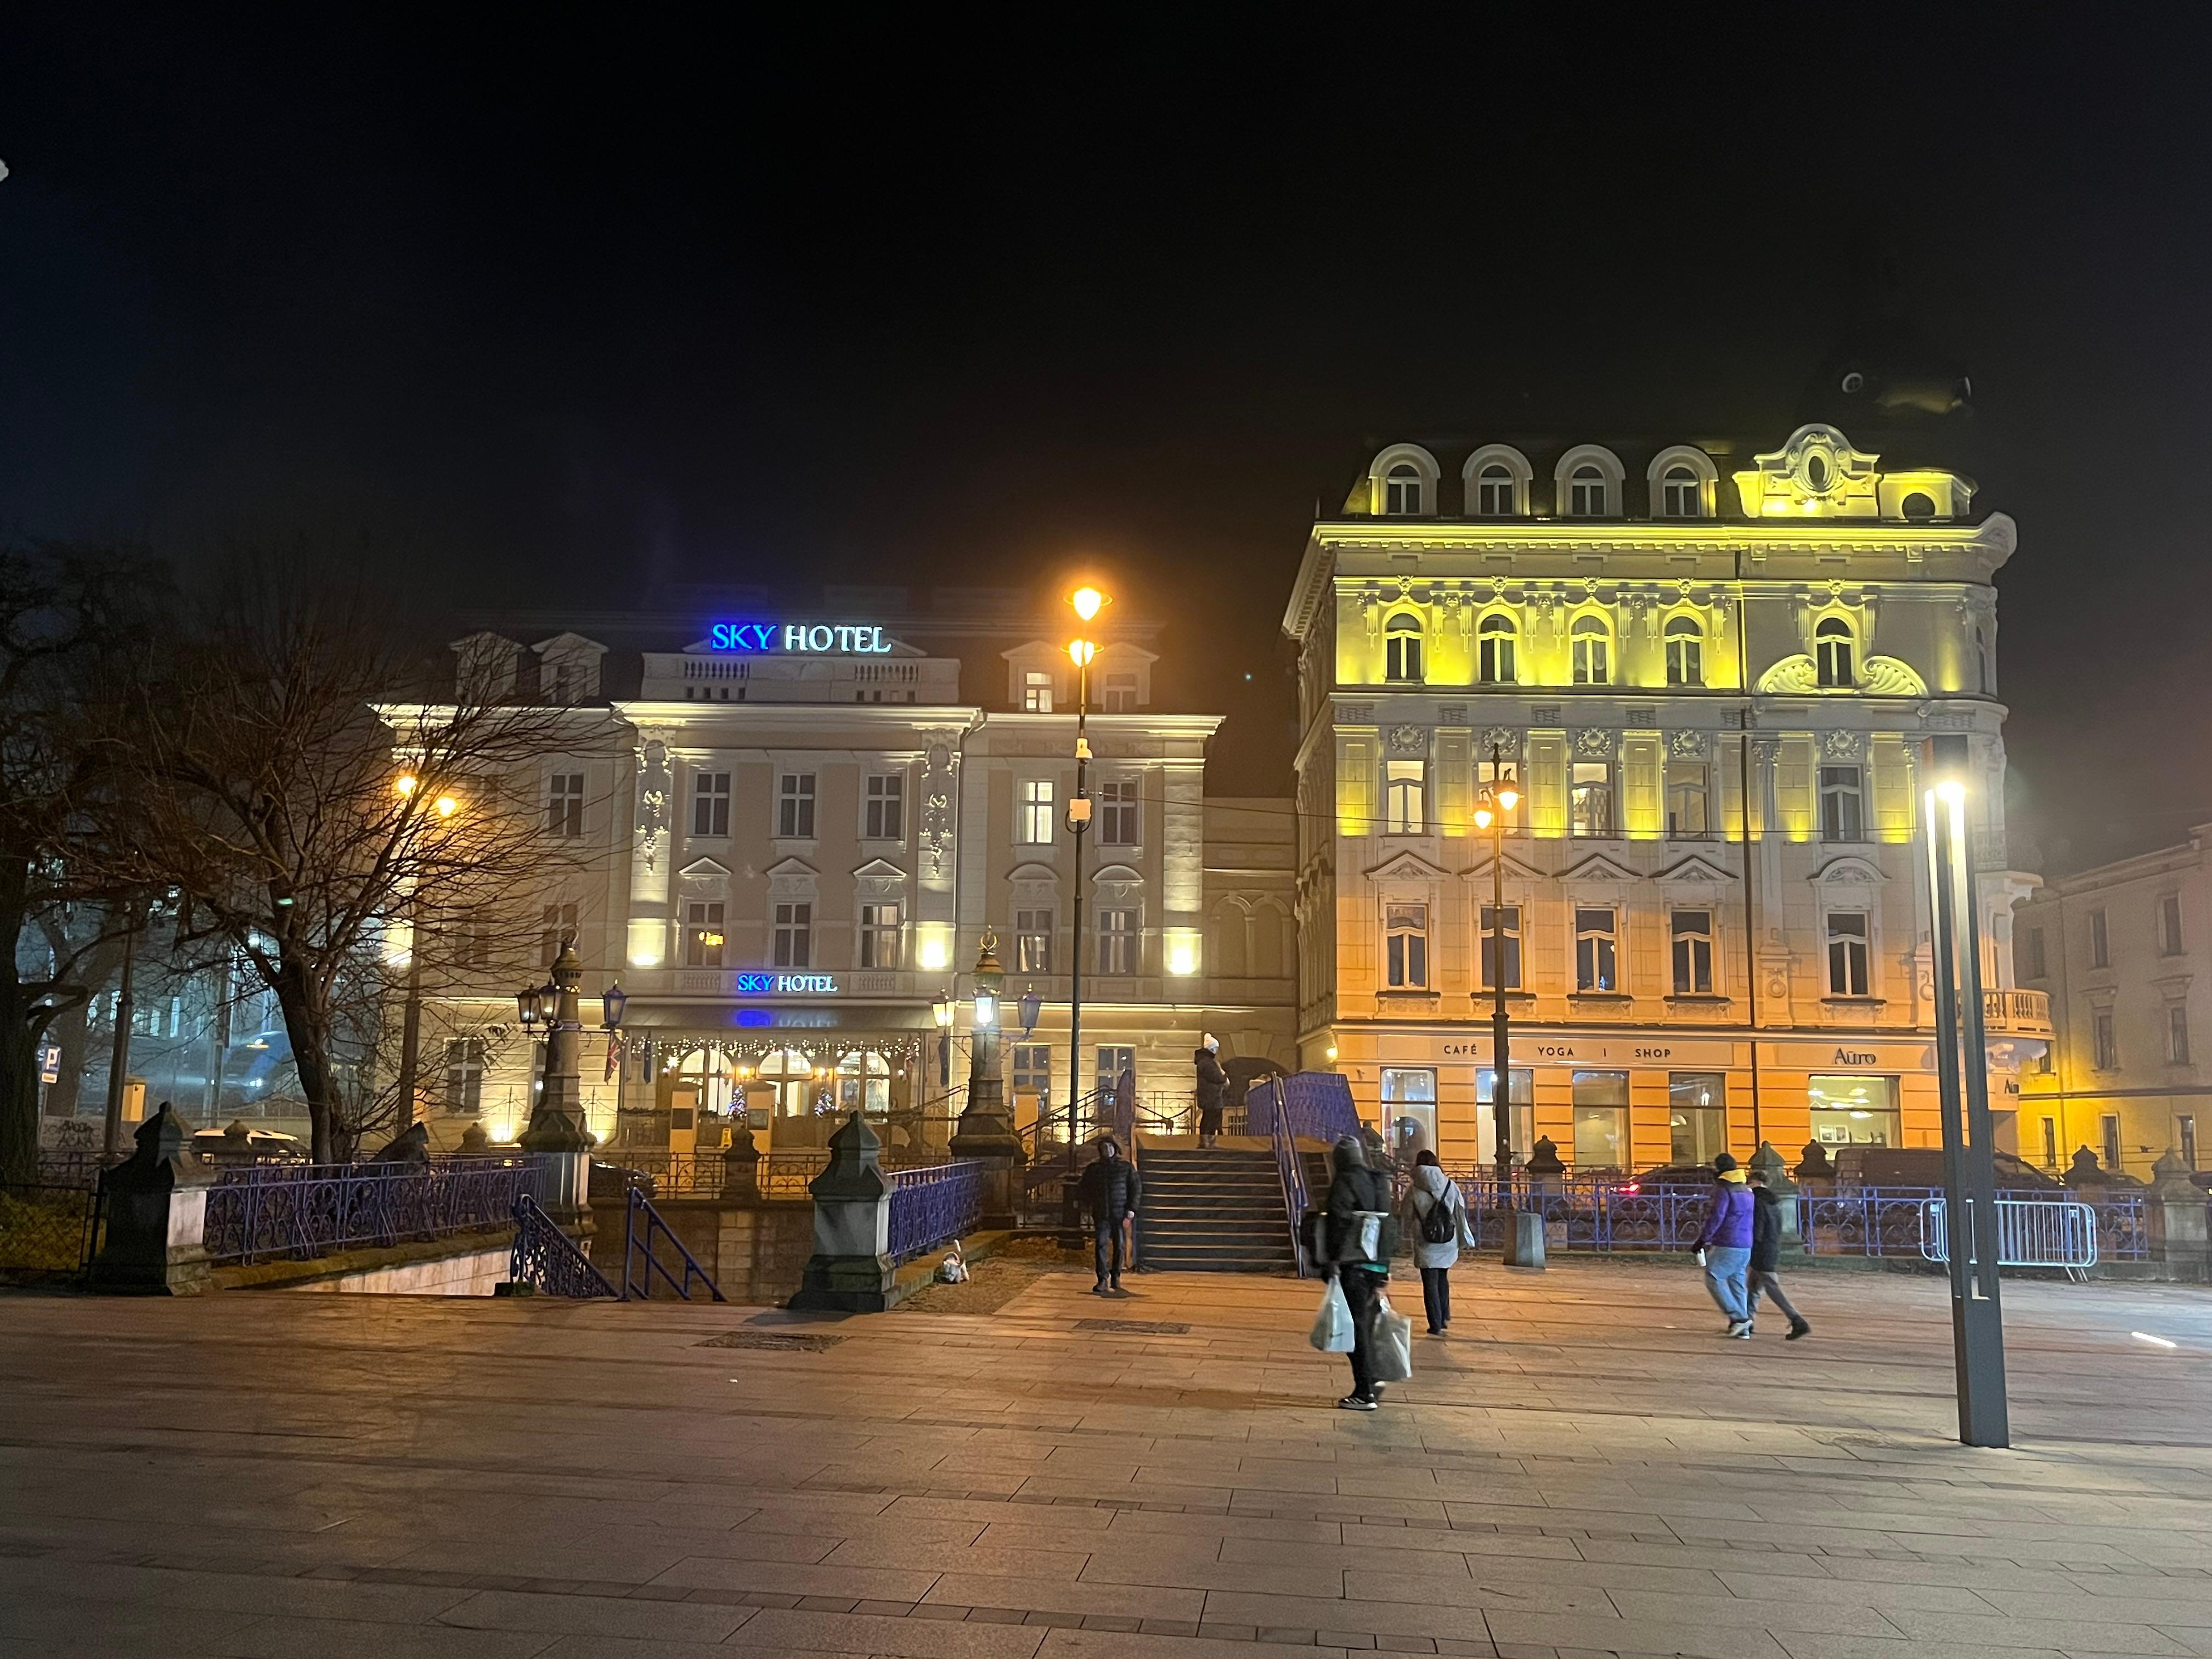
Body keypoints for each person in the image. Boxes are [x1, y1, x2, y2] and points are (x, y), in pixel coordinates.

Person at [1319, 1133, 1393, 1408]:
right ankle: (1372, 1378)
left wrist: (1331, 1260)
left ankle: (1365, 1390)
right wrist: (1385, 1267)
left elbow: (1337, 1222)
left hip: (1353, 1263)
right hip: (1376, 1263)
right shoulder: (1378, 1181)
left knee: (1355, 1326)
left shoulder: (1344, 1180)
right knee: (1366, 1323)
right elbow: (1389, 1225)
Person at [1404, 1149, 1473, 1336]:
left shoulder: (1413, 1189)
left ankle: (1434, 1323)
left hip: (1426, 1239)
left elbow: (1406, 1215)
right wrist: (1463, 1238)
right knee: (1443, 1276)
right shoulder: (1451, 1185)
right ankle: (1443, 1317)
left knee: (1430, 1282)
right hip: (1448, 1238)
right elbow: (1460, 1212)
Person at [1691, 1152, 1755, 1338]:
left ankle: (1739, 1319)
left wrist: (1703, 1239)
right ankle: (1743, 1329)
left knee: (1713, 1277)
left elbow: (1717, 1216)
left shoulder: (1724, 1190)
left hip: (1728, 1241)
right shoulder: (1746, 1189)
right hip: (1745, 1243)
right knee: (1737, 1282)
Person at [1747, 1166, 1812, 1340]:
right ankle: (1747, 1321)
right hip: (1771, 1247)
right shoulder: (1773, 1201)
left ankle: (1797, 1320)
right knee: (1753, 1288)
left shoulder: (1757, 1201)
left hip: (1761, 1251)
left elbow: (1757, 1229)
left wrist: (1750, 1248)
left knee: (1771, 1287)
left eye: (1749, 1182)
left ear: (1755, 1182)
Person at [1077, 1136, 1141, 1295]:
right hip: (1101, 1214)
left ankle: (1116, 1277)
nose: (1107, 1150)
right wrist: (1087, 1203)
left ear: (1115, 1149)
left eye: (1110, 1147)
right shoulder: (1094, 1169)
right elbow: (1084, 1188)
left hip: (1119, 1214)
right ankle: (1102, 1279)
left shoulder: (1125, 1168)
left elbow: (1135, 1188)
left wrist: (1131, 1209)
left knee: (1119, 1246)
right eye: (1104, 1147)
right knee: (1101, 1245)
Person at [1194, 1036, 1227, 1147]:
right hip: (1212, 1097)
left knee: (1209, 1118)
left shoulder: (1203, 1061)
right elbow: (1216, 1077)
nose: (1217, 1051)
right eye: (1215, 1048)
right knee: (1211, 1119)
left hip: (1209, 1096)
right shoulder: (1207, 1062)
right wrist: (1224, 1076)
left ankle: (1207, 1141)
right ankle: (1208, 1142)